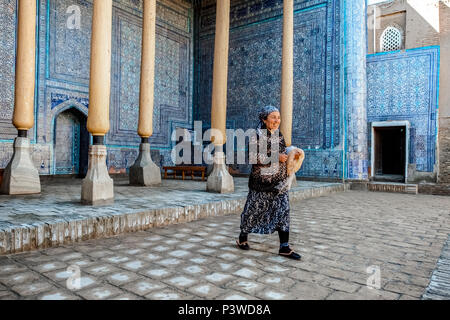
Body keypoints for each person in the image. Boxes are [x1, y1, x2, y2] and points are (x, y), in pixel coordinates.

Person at [236, 105, 301, 260]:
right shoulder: (255, 136)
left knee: (283, 211)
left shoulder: (279, 136)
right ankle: (242, 237)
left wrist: (293, 153)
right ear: (264, 119)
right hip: (260, 182)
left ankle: (284, 246)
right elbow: (253, 158)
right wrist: (275, 157)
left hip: (278, 182)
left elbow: (283, 153)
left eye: (278, 117)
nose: (277, 120)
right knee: (252, 211)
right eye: (273, 117)